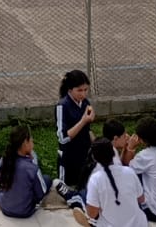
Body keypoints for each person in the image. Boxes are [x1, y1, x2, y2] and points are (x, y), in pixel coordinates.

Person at [82, 135, 147, 227]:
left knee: (87, 203)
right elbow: (141, 199)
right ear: (113, 153)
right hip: (139, 224)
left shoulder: (95, 179)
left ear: (94, 158)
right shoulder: (129, 171)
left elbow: (92, 214)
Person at [55, 69, 96, 208]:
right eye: (80, 90)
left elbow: (87, 130)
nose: (83, 94)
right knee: (67, 185)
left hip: (83, 153)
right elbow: (63, 138)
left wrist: (96, 144)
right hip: (69, 157)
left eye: (86, 90)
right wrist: (83, 121)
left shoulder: (85, 103)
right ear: (70, 89)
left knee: (84, 185)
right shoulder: (62, 106)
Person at [0, 123, 53, 219]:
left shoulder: (4, 160)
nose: (33, 143)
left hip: (4, 207)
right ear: (25, 143)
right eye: (31, 140)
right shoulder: (32, 168)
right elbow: (40, 194)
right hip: (24, 211)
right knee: (47, 180)